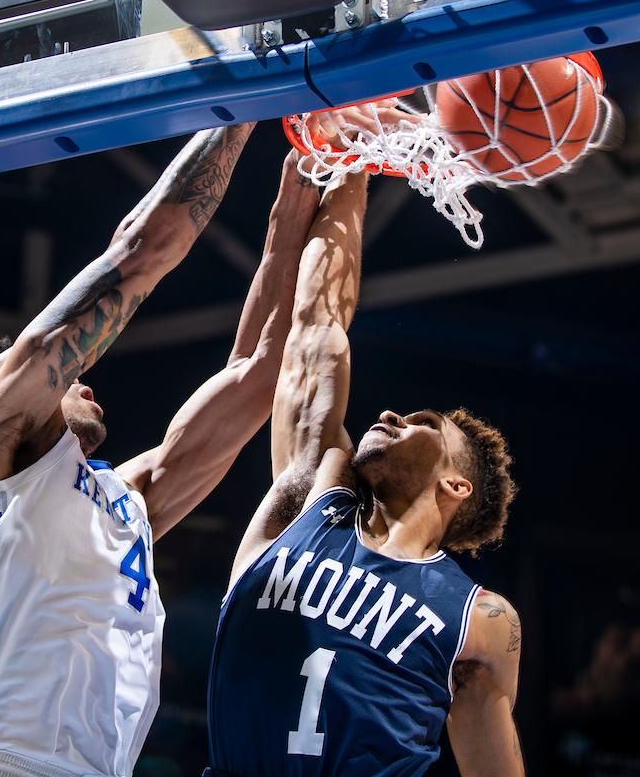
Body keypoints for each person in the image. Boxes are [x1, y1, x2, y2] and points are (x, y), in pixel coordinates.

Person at [0, 124, 324, 777]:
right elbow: (141, 252)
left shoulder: (128, 502)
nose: (81, 377)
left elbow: (261, 371)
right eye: (60, 377)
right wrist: (245, 107)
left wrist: (306, 193)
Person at [206, 166, 525, 776]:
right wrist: (348, 159)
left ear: (455, 485)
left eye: (422, 423)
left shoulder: (481, 617)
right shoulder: (313, 501)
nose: (391, 415)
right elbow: (317, 328)